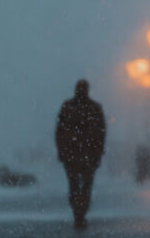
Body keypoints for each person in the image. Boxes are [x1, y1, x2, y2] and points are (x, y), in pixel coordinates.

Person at [55, 79, 106, 230]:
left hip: (74, 154)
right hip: (86, 154)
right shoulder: (93, 108)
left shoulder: (69, 107)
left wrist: (62, 150)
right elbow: (101, 133)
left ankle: (78, 212)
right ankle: (80, 212)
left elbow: (60, 131)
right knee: (84, 186)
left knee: (76, 186)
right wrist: (98, 151)